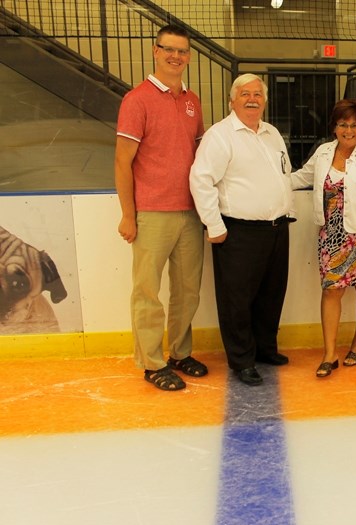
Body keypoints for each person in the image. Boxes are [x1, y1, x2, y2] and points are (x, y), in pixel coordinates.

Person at [115, 24, 207, 391]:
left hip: (189, 212)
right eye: (169, 49)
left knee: (188, 290)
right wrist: (127, 214)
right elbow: (123, 162)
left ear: (188, 56)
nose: (176, 56)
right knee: (148, 292)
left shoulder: (192, 100)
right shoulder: (136, 100)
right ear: (156, 51)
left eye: (182, 51)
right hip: (151, 212)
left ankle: (180, 353)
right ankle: (152, 363)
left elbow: (201, 157)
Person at [189, 74, 294, 386]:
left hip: (277, 229)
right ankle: (242, 360)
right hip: (238, 232)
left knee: (270, 295)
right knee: (238, 300)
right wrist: (214, 224)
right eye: (245, 94)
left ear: (264, 100)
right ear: (232, 100)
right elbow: (200, 180)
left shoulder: (272, 133)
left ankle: (264, 349)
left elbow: (283, 174)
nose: (252, 99)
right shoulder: (220, 136)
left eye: (258, 94)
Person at [291, 99, 356, 378]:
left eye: (355, 125)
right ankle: (329, 354)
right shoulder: (323, 153)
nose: (349, 130)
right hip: (330, 235)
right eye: (343, 124)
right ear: (334, 127)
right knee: (331, 291)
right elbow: (300, 178)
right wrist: (270, 181)